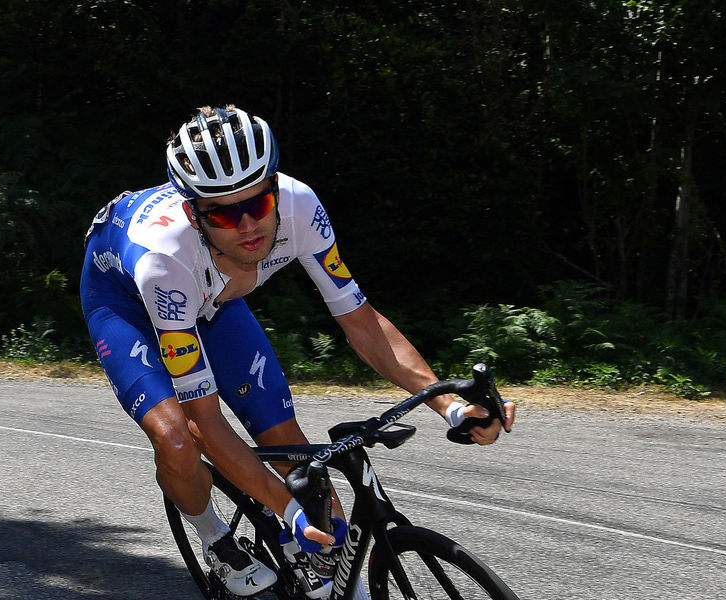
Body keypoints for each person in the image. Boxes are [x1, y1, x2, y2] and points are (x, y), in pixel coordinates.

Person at [80, 105, 516, 598]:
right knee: (179, 440)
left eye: (258, 204)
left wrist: (450, 404)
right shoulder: (166, 260)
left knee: (292, 448)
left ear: (275, 188)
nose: (247, 225)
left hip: (215, 297)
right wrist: (289, 511)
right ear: (193, 214)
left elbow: (363, 324)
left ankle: (311, 565)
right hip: (127, 306)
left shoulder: (299, 206)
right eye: (224, 212)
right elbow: (208, 421)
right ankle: (215, 540)